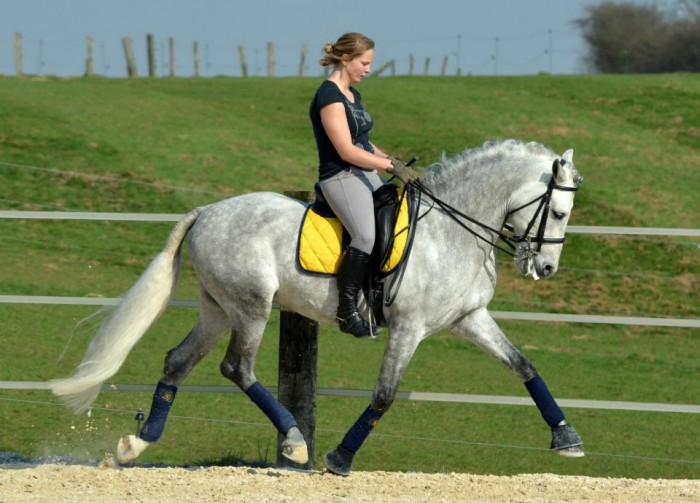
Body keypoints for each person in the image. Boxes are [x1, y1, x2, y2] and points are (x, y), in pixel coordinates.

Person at [309, 32, 421, 338]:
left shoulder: (353, 96)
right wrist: (389, 167)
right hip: (341, 176)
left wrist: (394, 161)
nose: (368, 69)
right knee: (365, 235)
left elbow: (364, 143)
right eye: (365, 63)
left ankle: (376, 296)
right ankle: (346, 310)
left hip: (363, 173)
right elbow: (346, 150)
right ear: (345, 59)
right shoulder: (328, 97)